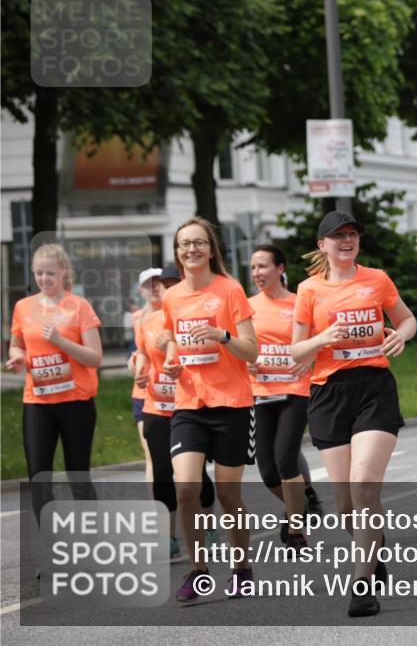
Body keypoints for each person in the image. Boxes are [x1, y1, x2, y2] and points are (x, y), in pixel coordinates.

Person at [291, 210, 416, 618]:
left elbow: (407, 318)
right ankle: (373, 548)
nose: (347, 240)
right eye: (337, 235)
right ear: (322, 245)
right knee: (345, 503)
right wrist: (323, 338)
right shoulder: (308, 290)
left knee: (364, 483)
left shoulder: (376, 279)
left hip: (374, 390)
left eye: (352, 235)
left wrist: (401, 333)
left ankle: (361, 584)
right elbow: (296, 352)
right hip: (328, 394)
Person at [160, 217, 258, 602]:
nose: (191, 250)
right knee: (186, 491)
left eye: (199, 243)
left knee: (229, 496)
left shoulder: (230, 290)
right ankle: (197, 570)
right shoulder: (172, 296)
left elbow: (252, 349)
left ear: (211, 249)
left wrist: (223, 336)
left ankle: (242, 568)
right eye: (184, 244)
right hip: (188, 404)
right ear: (177, 251)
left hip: (231, 403)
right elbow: (174, 341)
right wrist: (170, 360)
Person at [6, 244, 103, 519]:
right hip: (38, 402)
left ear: (63, 272)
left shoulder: (79, 306)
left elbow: (95, 358)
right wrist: (18, 358)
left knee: (78, 477)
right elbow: (16, 345)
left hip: (76, 403)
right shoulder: (23, 307)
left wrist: (61, 342)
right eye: (38, 273)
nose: (44, 279)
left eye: (50, 273)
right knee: (38, 478)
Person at [133, 263, 218, 560]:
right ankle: (168, 536)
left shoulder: (195, 317)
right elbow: (142, 354)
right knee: (161, 473)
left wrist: (174, 344)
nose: (166, 289)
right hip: (156, 405)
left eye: (172, 284)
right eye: (163, 285)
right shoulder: (146, 321)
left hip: (189, 404)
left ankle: (208, 527)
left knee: (193, 475)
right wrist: (140, 371)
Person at [248, 245, 314, 549]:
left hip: (294, 390)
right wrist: (244, 360)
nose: (257, 273)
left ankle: (296, 529)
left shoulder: (298, 303)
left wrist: (309, 358)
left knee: (286, 457)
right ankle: (299, 504)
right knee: (267, 470)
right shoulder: (248, 307)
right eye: (253, 268)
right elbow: (239, 346)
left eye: (262, 266)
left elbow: (318, 340)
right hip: (260, 393)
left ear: (280, 268)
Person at [128, 269, 160, 487]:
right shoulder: (138, 318)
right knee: (152, 455)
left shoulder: (176, 313)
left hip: (175, 395)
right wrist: (135, 364)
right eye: (149, 284)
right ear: (141, 290)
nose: (155, 287)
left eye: (159, 283)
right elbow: (141, 351)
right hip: (144, 394)